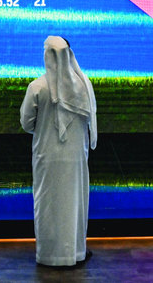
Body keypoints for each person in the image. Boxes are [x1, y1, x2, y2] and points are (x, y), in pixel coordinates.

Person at [20, 36, 97, 267]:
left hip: (47, 155)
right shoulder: (84, 85)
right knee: (74, 203)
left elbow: (26, 123)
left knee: (48, 205)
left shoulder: (37, 87)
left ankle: (49, 255)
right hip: (76, 157)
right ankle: (76, 253)